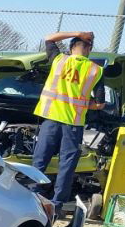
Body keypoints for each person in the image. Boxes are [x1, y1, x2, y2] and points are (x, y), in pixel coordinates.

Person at [31, 30, 105, 216]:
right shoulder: (96, 70)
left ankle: (33, 194)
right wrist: (81, 102)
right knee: (67, 164)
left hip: (52, 118)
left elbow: (48, 37)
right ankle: (57, 204)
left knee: (40, 159)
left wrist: (77, 32)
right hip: (73, 123)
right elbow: (100, 104)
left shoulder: (59, 60)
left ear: (72, 47)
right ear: (89, 50)